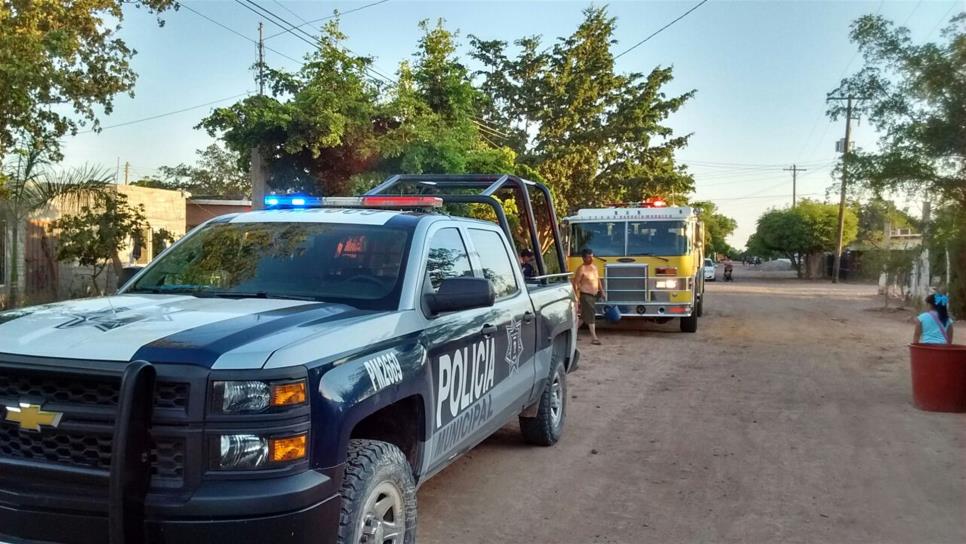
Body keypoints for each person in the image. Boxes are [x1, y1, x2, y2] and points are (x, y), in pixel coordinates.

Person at [572, 248, 605, 345]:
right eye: (589, 257)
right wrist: (576, 298)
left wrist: (602, 291)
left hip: (594, 294)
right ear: (583, 258)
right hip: (585, 296)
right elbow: (575, 284)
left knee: (583, 317)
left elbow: (597, 279)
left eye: (592, 256)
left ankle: (573, 332)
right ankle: (594, 337)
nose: (591, 259)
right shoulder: (581, 269)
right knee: (591, 315)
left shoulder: (594, 267)